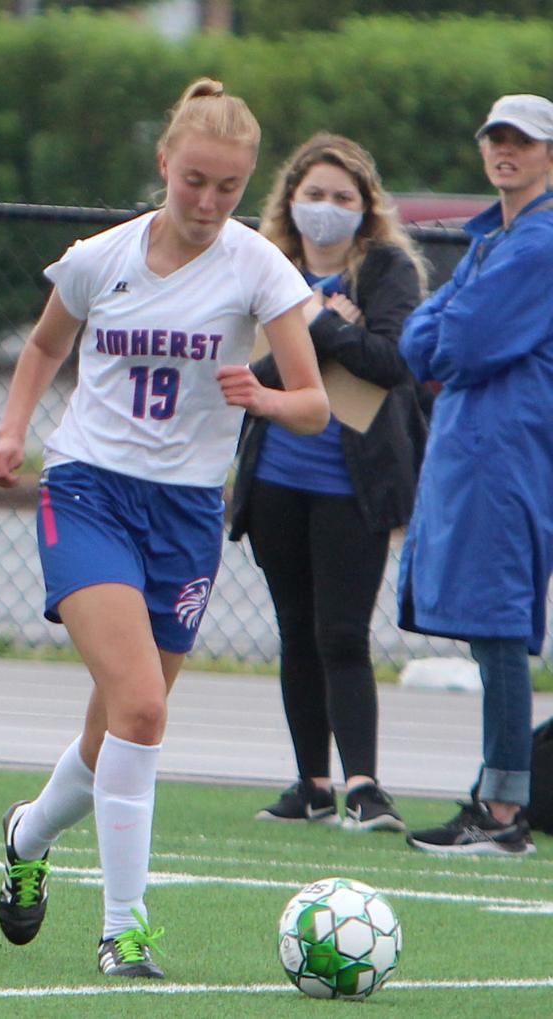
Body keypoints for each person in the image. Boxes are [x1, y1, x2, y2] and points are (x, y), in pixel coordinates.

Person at [0, 79, 329, 978]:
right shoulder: (103, 255)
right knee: (143, 706)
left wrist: (267, 396)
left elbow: (317, 405)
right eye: (194, 182)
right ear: (163, 166)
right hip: (89, 488)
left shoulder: (259, 268)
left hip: (185, 512)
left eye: (228, 187)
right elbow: (44, 346)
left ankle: (27, 833)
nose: (209, 203)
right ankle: (124, 928)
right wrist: (13, 427)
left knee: (116, 733)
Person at [228, 134, 428, 833]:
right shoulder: (264, 266)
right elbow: (255, 377)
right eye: (314, 195)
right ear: (290, 201)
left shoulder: (387, 270)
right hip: (278, 479)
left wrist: (311, 324)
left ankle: (365, 786)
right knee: (296, 631)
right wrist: (326, 330)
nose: (327, 209)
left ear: (367, 207)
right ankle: (312, 782)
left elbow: (392, 361)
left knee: (342, 632)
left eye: (343, 197)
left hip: (354, 485)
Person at [398, 93, 553, 857]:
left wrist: (442, 325)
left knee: (498, 626)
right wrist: (442, 325)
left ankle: (502, 811)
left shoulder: (540, 243)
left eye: (522, 141)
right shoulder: (498, 238)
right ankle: (497, 797)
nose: (506, 151)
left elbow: (462, 338)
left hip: (509, 453)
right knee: (488, 627)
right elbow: (421, 340)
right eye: (496, 137)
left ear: (549, 156)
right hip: (476, 450)